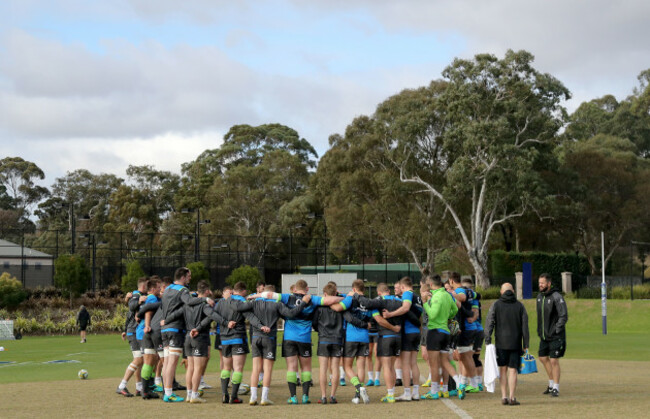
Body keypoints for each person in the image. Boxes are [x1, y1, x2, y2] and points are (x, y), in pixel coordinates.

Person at [238, 284, 310, 406]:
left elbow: (241, 309)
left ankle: (253, 397)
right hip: (269, 338)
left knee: (255, 369)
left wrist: (257, 323)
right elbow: (291, 314)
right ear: (273, 293)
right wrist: (303, 303)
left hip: (256, 337)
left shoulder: (254, 302)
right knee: (268, 370)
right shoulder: (277, 303)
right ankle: (264, 398)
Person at [160, 267, 214, 402]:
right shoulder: (182, 290)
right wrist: (205, 300)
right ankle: (169, 393)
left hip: (165, 329)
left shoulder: (167, 289)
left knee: (166, 362)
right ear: (183, 277)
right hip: (175, 329)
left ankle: (167, 392)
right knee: (172, 363)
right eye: (189, 276)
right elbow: (188, 302)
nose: (190, 278)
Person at [484, 283, 529, 406]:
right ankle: (512, 397)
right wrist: (526, 344)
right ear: (513, 291)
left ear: (501, 292)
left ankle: (504, 396)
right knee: (513, 370)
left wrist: (487, 339)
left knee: (502, 370)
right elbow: (525, 326)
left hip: (501, 343)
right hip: (515, 343)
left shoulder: (496, 305)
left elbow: (489, 322)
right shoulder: (520, 306)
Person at [312, 283, 355, 404]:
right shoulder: (341, 307)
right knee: (335, 368)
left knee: (323, 369)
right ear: (336, 294)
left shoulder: (319, 307)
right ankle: (332, 396)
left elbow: (314, 322)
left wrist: (320, 330)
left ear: (325, 294)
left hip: (324, 339)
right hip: (337, 339)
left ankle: (323, 396)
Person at [183, 280, 224, 403]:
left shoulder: (187, 304)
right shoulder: (204, 305)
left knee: (190, 367)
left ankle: (189, 394)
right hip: (199, 338)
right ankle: (194, 395)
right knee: (197, 369)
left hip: (187, 337)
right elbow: (212, 316)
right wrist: (225, 322)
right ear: (206, 291)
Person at [383, 277, 423, 401]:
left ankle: (407, 393)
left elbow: (405, 308)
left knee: (405, 363)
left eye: (399, 287)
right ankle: (415, 392)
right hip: (416, 332)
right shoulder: (418, 297)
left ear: (403, 287)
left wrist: (390, 314)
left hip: (408, 332)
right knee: (413, 363)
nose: (398, 290)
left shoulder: (407, 294)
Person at [419, 275, 458, 400]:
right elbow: (455, 309)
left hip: (435, 331)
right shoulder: (447, 294)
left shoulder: (437, 296)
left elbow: (433, 314)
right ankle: (454, 385)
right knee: (445, 361)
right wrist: (447, 316)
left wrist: (425, 303)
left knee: (434, 364)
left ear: (430, 284)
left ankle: (434, 391)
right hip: (446, 332)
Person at [537, 273, 568, 397]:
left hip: (556, 335)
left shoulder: (557, 297)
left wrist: (556, 329)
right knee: (543, 358)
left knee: (554, 360)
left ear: (548, 284)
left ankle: (556, 387)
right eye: (539, 283)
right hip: (544, 336)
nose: (540, 285)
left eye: (542, 283)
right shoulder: (539, 297)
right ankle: (550, 384)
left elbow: (563, 315)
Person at [116, 277, 148, 397]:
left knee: (140, 361)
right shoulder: (136, 294)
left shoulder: (139, 296)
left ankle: (139, 387)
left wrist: (125, 330)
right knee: (139, 359)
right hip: (134, 333)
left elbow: (129, 314)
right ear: (143, 286)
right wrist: (139, 300)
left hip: (133, 331)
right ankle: (122, 386)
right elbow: (132, 306)